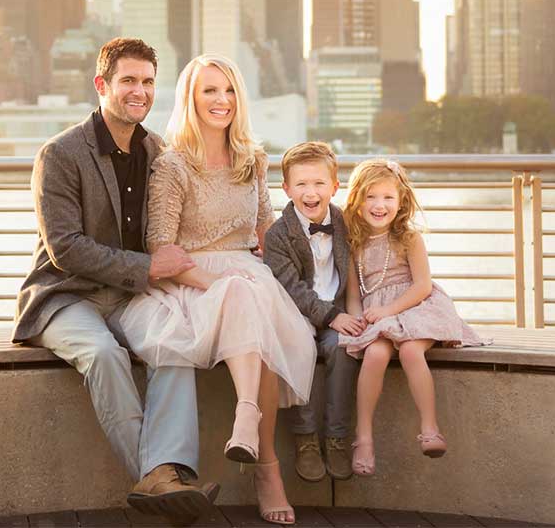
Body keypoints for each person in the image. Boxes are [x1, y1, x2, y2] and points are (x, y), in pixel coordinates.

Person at [13, 38, 219, 526]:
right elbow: (66, 248)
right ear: (102, 85)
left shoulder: (159, 152)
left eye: (148, 82)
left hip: (129, 297)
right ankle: (158, 478)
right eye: (128, 80)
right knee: (103, 353)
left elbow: (184, 220)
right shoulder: (60, 154)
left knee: (176, 344)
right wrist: (147, 268)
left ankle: (162, 479)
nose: (139, 91)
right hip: (65, 296)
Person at [115, 54, 316, 526]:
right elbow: (160, 247)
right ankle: (263, 457)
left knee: (257, 301)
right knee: (244, 296)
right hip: (189, 281)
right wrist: (217, 282)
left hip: (248, 272)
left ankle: (256, 444)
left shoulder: (253, 159)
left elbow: (266, 227)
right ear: (191, 97)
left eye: (227, 91)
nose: (220, 101)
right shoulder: (172, 165)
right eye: (209, 91)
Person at [337, 158, 491, 476]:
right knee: (376, 355)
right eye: (371, 197)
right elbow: (354, 294)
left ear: (401, 200)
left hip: (417, 308)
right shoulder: (353, 243)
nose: (379, 205)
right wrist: (359, 321)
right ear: (356, 200)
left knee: (409, 350)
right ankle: (363, 437)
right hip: (378, 315)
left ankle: (430, 427)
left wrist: (388, 312)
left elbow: (422, 286)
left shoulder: (409, 238)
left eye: (388, 197)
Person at [262, 141, 364, 483]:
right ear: (286, 188)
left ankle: (336, 436)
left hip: (338, 312)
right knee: (297, 347)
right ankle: (305, 438)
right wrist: (332, 316)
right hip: (297, 314)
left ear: (334, 186)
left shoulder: (347, 223)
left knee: (343, 347)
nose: (311, 192)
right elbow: (293, 289)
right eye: (302, 184)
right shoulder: (278, 235)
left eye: (319, 183)